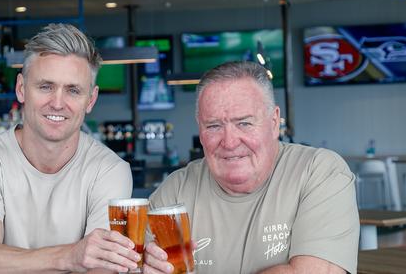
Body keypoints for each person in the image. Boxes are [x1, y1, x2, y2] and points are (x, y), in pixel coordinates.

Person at [144, 61, 359, 274]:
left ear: (274, 122)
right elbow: (132, 263)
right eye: (214, 126)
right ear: (200, 131)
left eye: (244, 123)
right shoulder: (176, 190)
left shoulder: (319, 172)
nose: (229, 142)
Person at [0, 23, 140, 273]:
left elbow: (101, 269)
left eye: (73, 90)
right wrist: (69, 257)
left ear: (91, 100)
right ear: (21, 89)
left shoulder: (109, 171)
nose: (57, 103)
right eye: (46, 86)